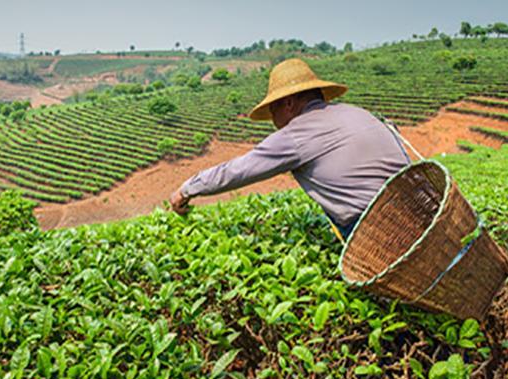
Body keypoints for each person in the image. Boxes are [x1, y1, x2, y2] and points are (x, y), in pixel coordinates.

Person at [170, 58, 411, 241]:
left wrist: (188, 188)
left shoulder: (296, 134)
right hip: (420, 205)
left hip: (378, 231)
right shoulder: (358, 112)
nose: (272, 118)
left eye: (272, 109)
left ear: (288, 103)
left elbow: (238, 170)